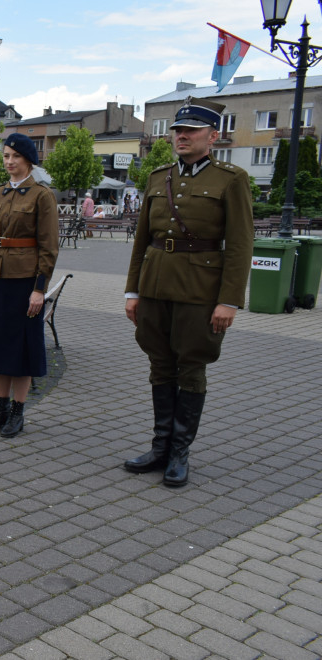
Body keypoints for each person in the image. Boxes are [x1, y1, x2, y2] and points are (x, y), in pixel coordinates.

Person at [123, 97, 253, 488]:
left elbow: (241, 244)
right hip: (156, 284)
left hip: (201, 289)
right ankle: (160, 446)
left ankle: (180, 452)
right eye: (178, 130)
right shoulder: (157, 176)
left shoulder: (230, 179)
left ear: (212, 136)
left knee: (191, 365)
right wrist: (133, 290)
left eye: (191, 131)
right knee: (159, 364)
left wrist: (229, 300)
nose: (181, 136)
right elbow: (142, 240)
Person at [0, 133, 58, 438]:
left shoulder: (41, 196)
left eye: (15, 157)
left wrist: (39, 289)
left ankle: (19, 412)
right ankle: (0, 408)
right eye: (6, 156)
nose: (9, 162)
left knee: (21, 349)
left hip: (24, 283)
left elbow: (49, 248)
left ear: (28, 160)